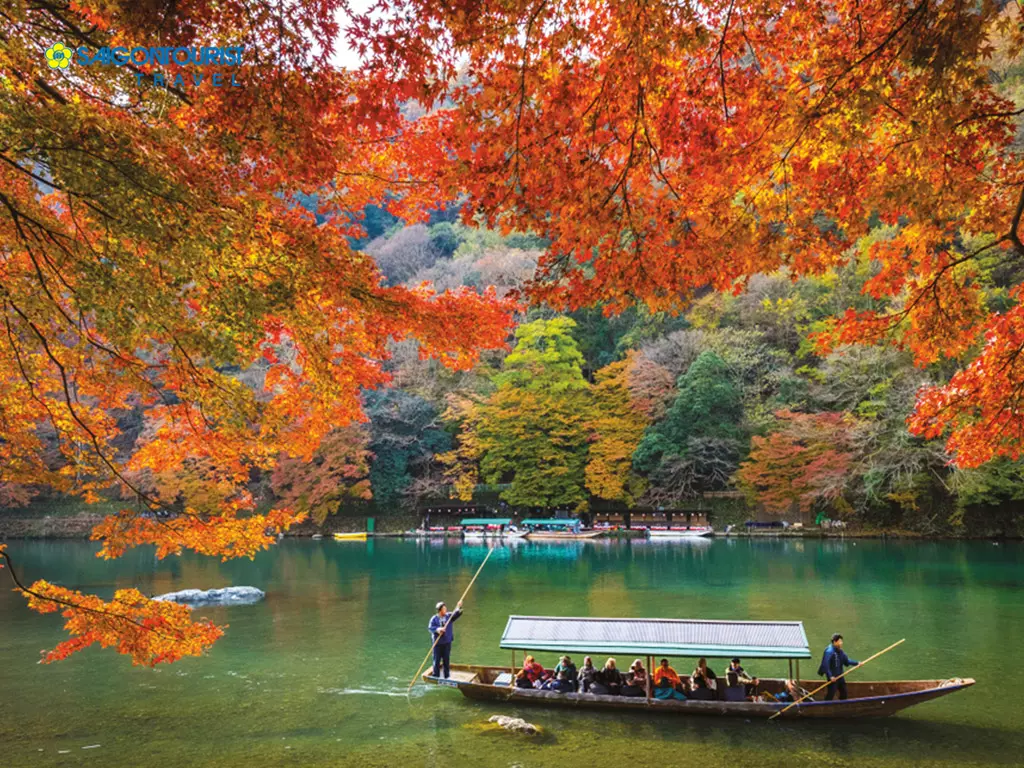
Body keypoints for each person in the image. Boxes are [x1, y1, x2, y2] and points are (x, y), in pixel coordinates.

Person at [818, 633, 860, 701]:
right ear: (835, 642)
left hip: (840, 676)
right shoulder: (829, 651)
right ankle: (825, 707)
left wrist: (857, 663)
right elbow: (825, 665)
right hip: (833, 678)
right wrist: (830, 676)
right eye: (840, 641)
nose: (841, 643)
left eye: (841, 641)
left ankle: (840, 706)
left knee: (844, 693)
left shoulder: (840, 651)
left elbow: (847, 661)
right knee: (830, 694)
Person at [427, 599, 462, 678]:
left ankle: (447, 676)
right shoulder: (434, 619)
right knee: (436, 660)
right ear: (440, 610)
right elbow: (430, 628)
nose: (445, 610)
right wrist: (438, 629)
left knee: (446, 660)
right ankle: (436, 676)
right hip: (438, 644)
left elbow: (456, 614)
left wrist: (458, 606)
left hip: (447, 643)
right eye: (444, 609)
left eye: (445, 608)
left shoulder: (449, 616)